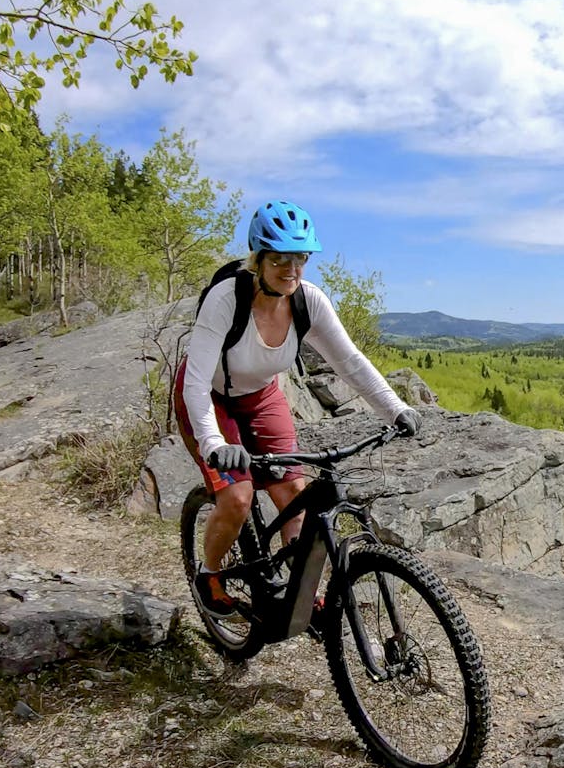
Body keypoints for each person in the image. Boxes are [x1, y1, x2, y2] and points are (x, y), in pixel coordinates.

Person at [175, 199, 420, 617]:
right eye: (279, 259)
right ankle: (210, 574)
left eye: (300, 258)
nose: (291, 269)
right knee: (236, 496)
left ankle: (301, 593)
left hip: (261, 395)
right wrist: (214, 442)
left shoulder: (309, 302)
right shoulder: (226, 300)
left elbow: (351, 363)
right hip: (211, 398)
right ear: (258, 258)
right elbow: (195, 383)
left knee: (295, 494)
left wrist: (394, 409)